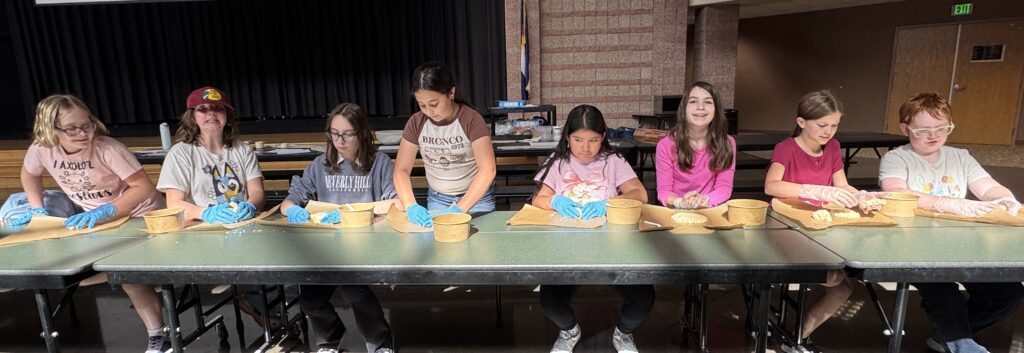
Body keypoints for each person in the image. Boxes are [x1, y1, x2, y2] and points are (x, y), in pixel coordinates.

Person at [17, 94, 168, 353]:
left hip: (139, 215)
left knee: (127, 274)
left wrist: (107, 210)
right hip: (98, 223)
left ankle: (158, 336)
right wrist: (37, 208)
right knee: (66, 265)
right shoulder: (41, 149)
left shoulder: (108, 149)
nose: (83, 133)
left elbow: (143, 188)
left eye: (87, 125)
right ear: (49, 128)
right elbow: (29, 174)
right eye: (72, 128)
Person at [879, 92, 1023, 353]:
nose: (933, 136)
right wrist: (946, 203)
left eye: (942, 129)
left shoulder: (960, 157)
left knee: (1008, 292)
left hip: (961, 245)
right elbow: (896, 191)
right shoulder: (897, 158)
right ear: (905, 129)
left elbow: (988, 187)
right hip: (915, 247)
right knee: (943, 293)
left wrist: (1005, 199)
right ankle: (962, 344)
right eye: (923, 131)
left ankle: (948, 335)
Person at [764, 90, 880, 352]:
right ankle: (790, 332)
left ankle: (798, 338)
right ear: (802, 122)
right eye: (822, 125)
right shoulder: (787, 148)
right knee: (834, 278)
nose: (829, 131)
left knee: (841, 286)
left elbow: (842, 184)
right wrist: (812, 190)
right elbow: (771, 186)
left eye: (835, 125)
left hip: (823, 226)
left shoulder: (834, 147)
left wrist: (861, 196)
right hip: (790, 226)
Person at [531, 105, 651, 353]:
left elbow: (639, 194)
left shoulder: (613, 162)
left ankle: (623, 333)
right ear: (567, 137)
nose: (585, 147)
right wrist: (555, 200)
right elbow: (538, 200)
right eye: (578, 140)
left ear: (603, 136)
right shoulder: (559, 163)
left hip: (611, 247)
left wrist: (609, 203)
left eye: (593, 140)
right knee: (550, 301)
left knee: (643, 298)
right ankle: (569, 330)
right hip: (567, 249)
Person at [281, 103, 397, 353]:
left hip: (361, 245)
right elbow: (289, 201)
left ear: (362, 133)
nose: (340, 140)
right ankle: (331, 336)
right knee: (310, 301)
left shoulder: (380, 163)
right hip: (326, 250)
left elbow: (395, 203)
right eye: (334, 133)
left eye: (347, 134)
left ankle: (380, 342)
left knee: (353, 289)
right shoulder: (320, 165)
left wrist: (350, 212)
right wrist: (292, 209)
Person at [393, 62, 496, 226]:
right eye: (422, 105)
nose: (429, 111)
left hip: (476, 200)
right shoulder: (416, 123)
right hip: (438, 200)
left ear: (451, 92)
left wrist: (459, 209)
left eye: (434, 104)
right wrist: (410, 205)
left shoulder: (471, 119)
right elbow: (401, 170)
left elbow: (488, 169)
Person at [157, 86, 264, 224]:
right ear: (192, 117)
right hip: (200, 226)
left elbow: (257, 192)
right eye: (203, 109)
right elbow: (174, 203)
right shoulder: (180, 153)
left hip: (240, 223)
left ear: (227, 115)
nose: (211, 113)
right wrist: (207, 213)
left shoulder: (244, 150)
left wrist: (250, 206)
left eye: (218, 108)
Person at [655, 81, 736, 209]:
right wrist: (681, 202)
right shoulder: (665, 145)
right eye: (693, 101)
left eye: (708, 102)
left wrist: (704, 201)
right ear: (684, 109)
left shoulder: (727, 143)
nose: (700, 107)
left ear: (716, 109)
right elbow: (664, 191)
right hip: (676, 212)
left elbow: (724, 187)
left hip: (709, 209)